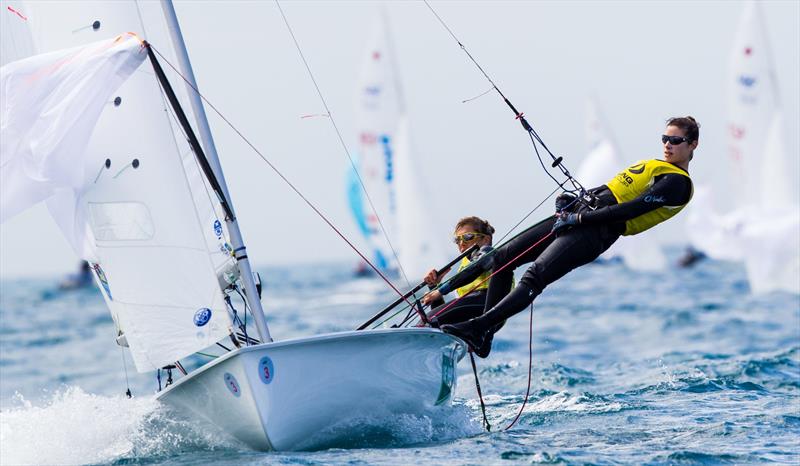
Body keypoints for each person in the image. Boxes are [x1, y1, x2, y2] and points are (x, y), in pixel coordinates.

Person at [437, 116, 699, 358]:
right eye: (665, 139)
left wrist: (580, 219)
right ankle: (484, 336)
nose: (668, 145)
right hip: (578, 214)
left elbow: (632, 208)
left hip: (596, 231)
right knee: (502, 258)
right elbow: (609, 190)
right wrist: (571, 203)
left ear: (692, 145)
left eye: (676, 141)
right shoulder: (654, 166)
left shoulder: (678, 183)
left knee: (535, 276)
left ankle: (477, 327)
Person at [420, 216, 512, 329]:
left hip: (487, 304)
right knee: (439, 326)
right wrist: (434, 286)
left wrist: (441, 290)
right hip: (473, 318)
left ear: (485, 240)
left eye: (468, 237)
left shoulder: (490, 253)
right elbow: (445, 315)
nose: (461, 243)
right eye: (457, 240)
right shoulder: (464, 264)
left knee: (427, 321)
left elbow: (475, 269)